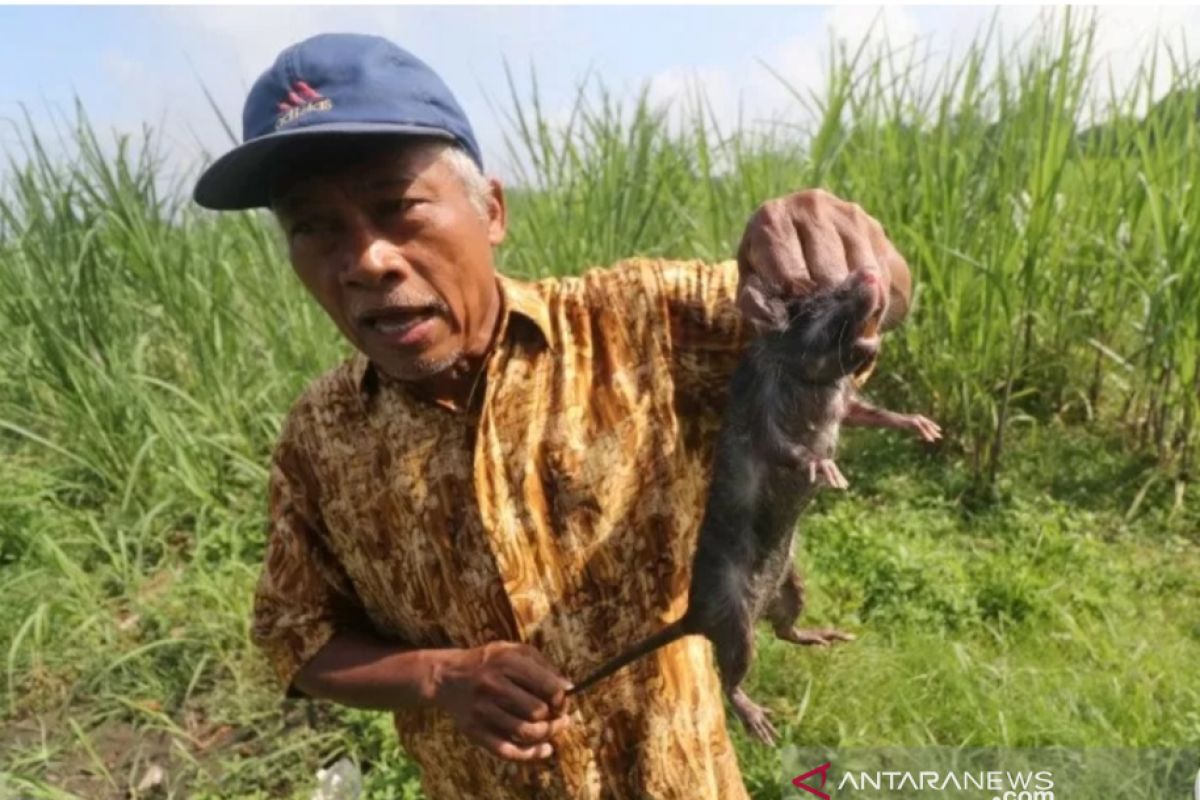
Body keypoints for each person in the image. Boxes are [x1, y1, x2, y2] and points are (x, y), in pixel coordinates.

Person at [193, 32, 911, 800]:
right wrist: (439, 677)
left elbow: (858, 313)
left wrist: (843, 248)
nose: (367, 259)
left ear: (491, 211)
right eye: (314, 227)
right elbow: (297, 638)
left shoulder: (641, 323)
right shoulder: (320, 436)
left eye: (396, 206)